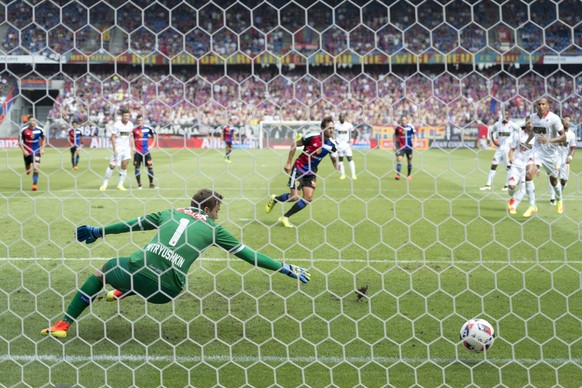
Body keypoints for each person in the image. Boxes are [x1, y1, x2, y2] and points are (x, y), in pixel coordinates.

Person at [41, 189, 310, 338]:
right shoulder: (215, 231)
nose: (218, 216)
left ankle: (63, 326)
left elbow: (131, 225)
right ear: (206, 211)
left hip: (137, 273)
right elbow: (249, 255)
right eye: (217, 212)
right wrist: (284, 267)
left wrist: (99, 231)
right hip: (167, 292)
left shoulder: (168, 213)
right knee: (153, 269)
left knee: (104, 271)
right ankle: (123, 290)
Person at [265, 116, 338, 228]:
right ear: (322, 128)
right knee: (294, 197)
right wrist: (289, 162)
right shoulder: (312, 137)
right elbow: (294, 144)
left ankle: (285, 217)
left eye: (333, 128)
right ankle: (275, 199)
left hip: (311, 172)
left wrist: (336, 165)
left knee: (308, 198)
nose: (331, 130)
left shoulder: (332, 145)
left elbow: (334, 157)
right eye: (329, 128)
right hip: (299, 169)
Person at [523, 97, 566, 217]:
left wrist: (549, 140)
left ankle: (559, 199)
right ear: (536, 106)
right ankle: (532, 205)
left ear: (548, 106)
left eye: (543, 104)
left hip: (551, 154)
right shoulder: (532, 117)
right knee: (528, 174)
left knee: (553, 181)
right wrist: (527, 142)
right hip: (537, 151)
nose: (541, 106)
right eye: (538, 104)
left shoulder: (554, 118)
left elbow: (563, 137)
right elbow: (533, 132)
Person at [480, 110, 521, 191]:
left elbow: (520, 132)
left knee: (508, 167)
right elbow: (491, 132)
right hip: (500, 149)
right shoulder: (497, 124)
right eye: (505, 115)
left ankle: (506, 185)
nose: (506, 116)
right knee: (493, 165)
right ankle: (488, 185)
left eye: (507, 114)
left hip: (508, 149)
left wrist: (516, 144)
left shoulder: (512, 125)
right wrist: (494, 142)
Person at [100, 109, 133, 191]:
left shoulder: (130, 125)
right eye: (125, 116)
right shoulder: (117, 125)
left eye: (128, 116)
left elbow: (130, 136)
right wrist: (114, 149)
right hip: (118, 148)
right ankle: (105, 183)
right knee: (112, 166)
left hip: (126, 149)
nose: (126, 117)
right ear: (122, 116)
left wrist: (133, 147)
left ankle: (120, 185)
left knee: (124, 166)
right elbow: (113, 136)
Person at [506, 118, 535, 215]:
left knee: (523, 189)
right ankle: (512, 197)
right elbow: (512, 148)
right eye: (528, 122)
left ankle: (513, 207)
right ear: (525, 123)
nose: (530, 124)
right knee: (511, 186)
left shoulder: (537, 136)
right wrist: (510, 158)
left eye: (532, 122)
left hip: (527, 166)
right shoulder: (518, 134)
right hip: (516, 164)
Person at [548, 114, 575, 206]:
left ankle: (558, 195)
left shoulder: (572, 134)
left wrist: (570, 157)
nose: (567, 122)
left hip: (564, 160)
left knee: (564, 181)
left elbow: (572, 148)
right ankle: (552, 197)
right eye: (565, 120)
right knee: (553, 177)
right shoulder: (555, 132)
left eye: (569, 120)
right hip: (555, 159)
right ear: (561, 121)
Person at [19, 117, 46, 191]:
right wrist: (24, 151)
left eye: (34, 120)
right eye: (31, 120)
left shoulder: (40, 130)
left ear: (36, 122)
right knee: (28, 167)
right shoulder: (23, 130)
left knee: (36, 167)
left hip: (36, 151)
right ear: (28, 122)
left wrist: (42, 148)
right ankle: (28, 168)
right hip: (27, 152)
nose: (32, 122)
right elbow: (20, 142)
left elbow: (44, 139)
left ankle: (34, 184)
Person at [131, 114, 157, 189]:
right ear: (136, 121)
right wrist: (133, 147)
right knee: (137, 167)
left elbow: (154, 135)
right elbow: (132, 138)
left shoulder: (148, 128)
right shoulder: (134, 129)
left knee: (150, 166)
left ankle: (151, 183)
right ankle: (139, 184)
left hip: (146, 151)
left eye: (141, 120)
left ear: (143, 121)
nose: (139, 122)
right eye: (138, 120)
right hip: (137, 151)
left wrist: (152, 144)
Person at [334, 112, 357, 180]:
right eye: (340, 117)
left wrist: (352, 139)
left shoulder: (348, 125)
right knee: (340, 160)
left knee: (350, 159)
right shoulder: (336, 125)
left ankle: (353, 175)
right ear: (339, 118)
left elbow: (354, 132)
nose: (341, 118)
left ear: (345, 117)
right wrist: (334, 139)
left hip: (347, 145)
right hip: (339, 146)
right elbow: (331, 132)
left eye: (343, 117)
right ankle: (343, 175)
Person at [393, 114, 416, 181]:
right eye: (402, 120)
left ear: (407, 120)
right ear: (401, 120)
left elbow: (414, 135)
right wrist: (394, 145)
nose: (403, 121)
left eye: (405, 120)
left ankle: (409, 175)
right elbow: (395, 136)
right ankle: (398, 175)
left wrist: (414, 144)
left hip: (409, 147)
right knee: (399, 159)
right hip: (401, 146)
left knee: (409, 161)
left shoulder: (410, 127)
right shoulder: (398, 127)